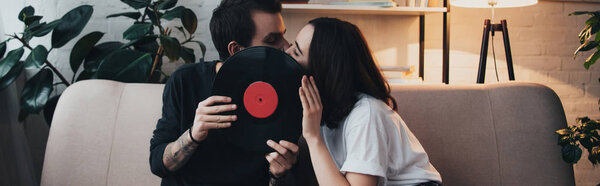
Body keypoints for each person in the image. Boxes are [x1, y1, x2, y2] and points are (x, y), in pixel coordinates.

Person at [149, 0, 300, 185]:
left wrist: (278, 174)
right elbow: (157, 164)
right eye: (272, 40)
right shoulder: (185, 80)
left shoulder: (287, 89)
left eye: (283, 36)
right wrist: (193, 135)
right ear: (236, 50)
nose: (287, 46)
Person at [285, 17, 442, 186]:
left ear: (322, 69)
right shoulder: (323, 110)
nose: (286, 52)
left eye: (296, 52)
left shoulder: (366, 114)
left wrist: (313, 138)